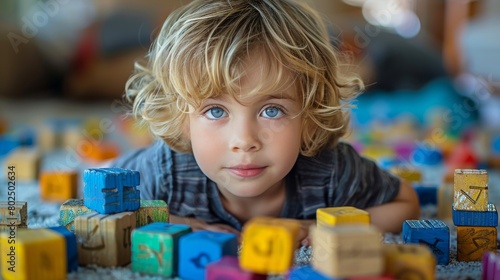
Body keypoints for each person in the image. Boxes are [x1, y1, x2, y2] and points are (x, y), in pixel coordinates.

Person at [112, 0, 420, 245]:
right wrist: (179, 225)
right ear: (182, 121)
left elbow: (404, 204)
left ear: (310, 116)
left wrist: (313, 229)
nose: (244, 140)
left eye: (271, 110)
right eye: (216, 111)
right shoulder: (167, 170)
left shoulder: (331, 171)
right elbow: (101, 202)